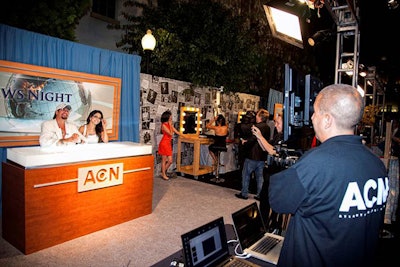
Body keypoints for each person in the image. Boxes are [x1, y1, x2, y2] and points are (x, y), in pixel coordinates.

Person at [269, 84, 389, 267]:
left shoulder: (315, 163)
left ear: (327, 119)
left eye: (315, 112)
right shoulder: (377, 165)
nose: (311, 117)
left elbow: (278, 201)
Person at [252, 112, 284, 232]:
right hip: (269, 174)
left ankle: (272, 227)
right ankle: (262, 225)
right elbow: (265, 147)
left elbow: (273, 151)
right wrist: (258, 137)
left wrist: (260, 137)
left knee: (272, 204)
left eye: (278, 123)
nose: (275, 125)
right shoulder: (277, 136)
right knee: (264, 201)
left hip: (277, 176)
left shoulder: (285, 139)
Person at [235, 108, 270, 200]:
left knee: (246, 174)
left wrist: (245, 143)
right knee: (259, 177)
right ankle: (259, 194)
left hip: (252, 155)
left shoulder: (256, 127)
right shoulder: (268, 127)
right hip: (262, 155)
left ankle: (244, 193)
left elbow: (253, 139)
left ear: (260, 117)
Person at [158, 110, 181, 180]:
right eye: (170, 116)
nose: (171, 117)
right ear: (167, 117)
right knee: (164, 160)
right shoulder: (164, 125)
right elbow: (171, 133)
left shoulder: (169, 124)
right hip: (164, 143)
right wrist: (171, 125)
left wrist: (186, 136)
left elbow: (177, 132)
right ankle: (164, 174)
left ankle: (163, 172)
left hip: (168, 143)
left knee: (170, 161)